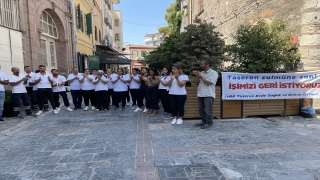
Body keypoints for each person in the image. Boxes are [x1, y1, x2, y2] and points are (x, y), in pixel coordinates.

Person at [193, 60, 218, 129]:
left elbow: (209, 83)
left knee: (208, 109)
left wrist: (200, 76)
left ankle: (209, 123)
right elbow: (197, 83)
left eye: (202, 64)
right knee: (201, 109)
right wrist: (197, 76)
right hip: (201, 93)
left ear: (207, 65)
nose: (200, 65)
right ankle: (204, 121)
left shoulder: (214, 73)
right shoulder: (201, 73)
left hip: (208, 94)